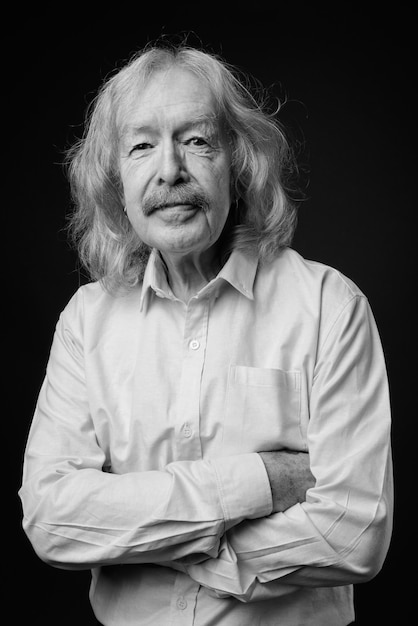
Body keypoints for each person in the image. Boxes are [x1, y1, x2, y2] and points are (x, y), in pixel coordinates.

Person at [19, 42, 393, 626]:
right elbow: (51, 520)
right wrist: (260, 482)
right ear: (115, 179)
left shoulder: (329, 306)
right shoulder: (85, 322)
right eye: (141, 146)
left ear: (238, 164)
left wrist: (155, 544)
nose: (170, 170)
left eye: (197, 141)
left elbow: (352, 534)